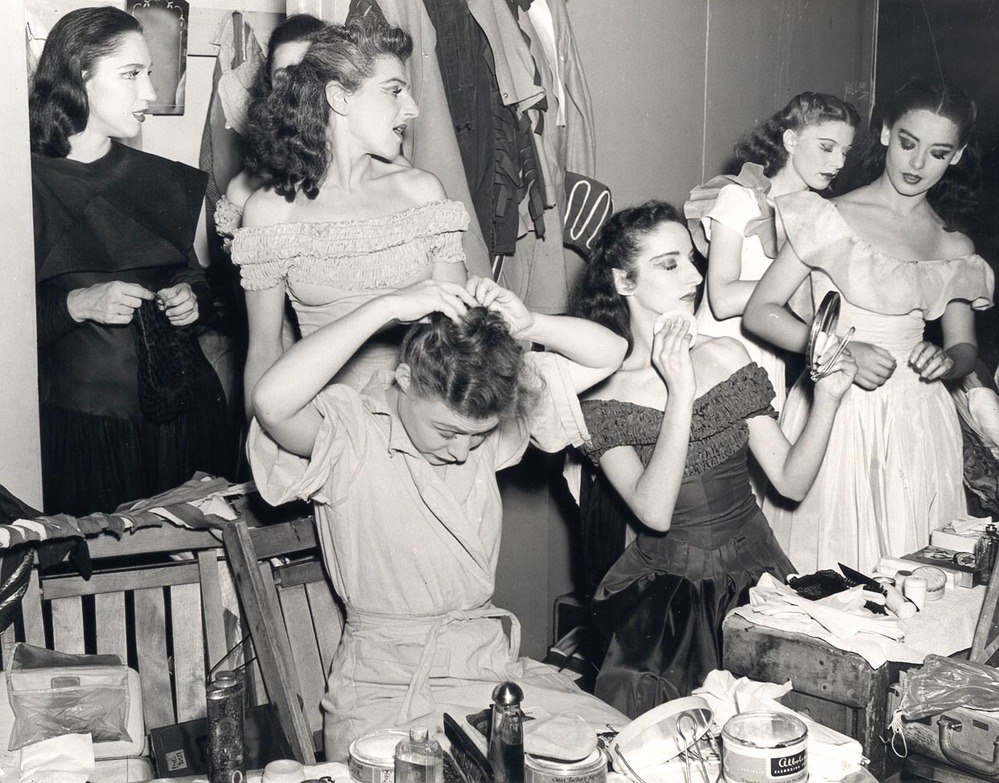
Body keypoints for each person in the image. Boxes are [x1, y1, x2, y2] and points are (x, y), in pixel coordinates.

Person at [248, 276, 629, 759]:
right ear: (404, 381)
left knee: (621, 750)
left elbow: (609, 353)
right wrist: (383, 307)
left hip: (486, 670)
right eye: (447, 430)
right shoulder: (351, 435)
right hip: (385, 687)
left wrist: (533, 323)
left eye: (477, 435)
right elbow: (271, 401)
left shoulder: (478, 440)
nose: (461, 450)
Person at [567, 201, 856, 717]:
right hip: (672, 602)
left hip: (757, 570)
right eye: (669, 263)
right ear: (623, 281)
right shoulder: (601, 395)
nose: (695, 275)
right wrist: (679, 390)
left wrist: (828, 399)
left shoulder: (725, 355)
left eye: (691, 260)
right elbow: (652, 513)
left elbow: (790, 482)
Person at [744, 79, 995, 574]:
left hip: (919, 424)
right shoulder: (830, 216)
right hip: (836, 414)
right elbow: (761, 310)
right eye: (908, 143)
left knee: (915, 576)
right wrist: (838, 352)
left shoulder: (953, 245)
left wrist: (947, 361)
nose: (918, 164)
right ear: (884, 133)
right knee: (830, 570)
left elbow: (963, 346)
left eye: (938, 152)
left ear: (957, 156)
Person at [30, 6, 231, 515]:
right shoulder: (18, 183)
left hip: (186, 423)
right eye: (131, 74)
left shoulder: (164, 179)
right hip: (82, 434)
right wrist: (76, 303)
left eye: (149, 74)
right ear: (79, 74)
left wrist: (192, 296)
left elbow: (191, 274)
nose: (149, 93)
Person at [232, 16, 465, 414]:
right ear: (340, 98)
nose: (412, 109)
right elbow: (265, 352)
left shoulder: (422, 192)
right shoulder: (269, 212)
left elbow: (457, 340)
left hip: (421, 419)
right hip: (321, 424)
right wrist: (265, 450)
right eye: (395, 91)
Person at [684, 92, 860, 412]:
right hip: (715, 357)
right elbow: (721, 300)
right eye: (826, 147)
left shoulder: (820, 221)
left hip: (770, 361)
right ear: (791, 140)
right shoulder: (740, 199)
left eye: (845, 152)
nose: (838, 163)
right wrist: (792, 283)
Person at [214, 13, 327, 248]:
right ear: (269, 90)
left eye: (312, 76)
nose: (297, 92)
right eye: (284, 79)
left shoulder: (378, 172)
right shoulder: (244, 191)